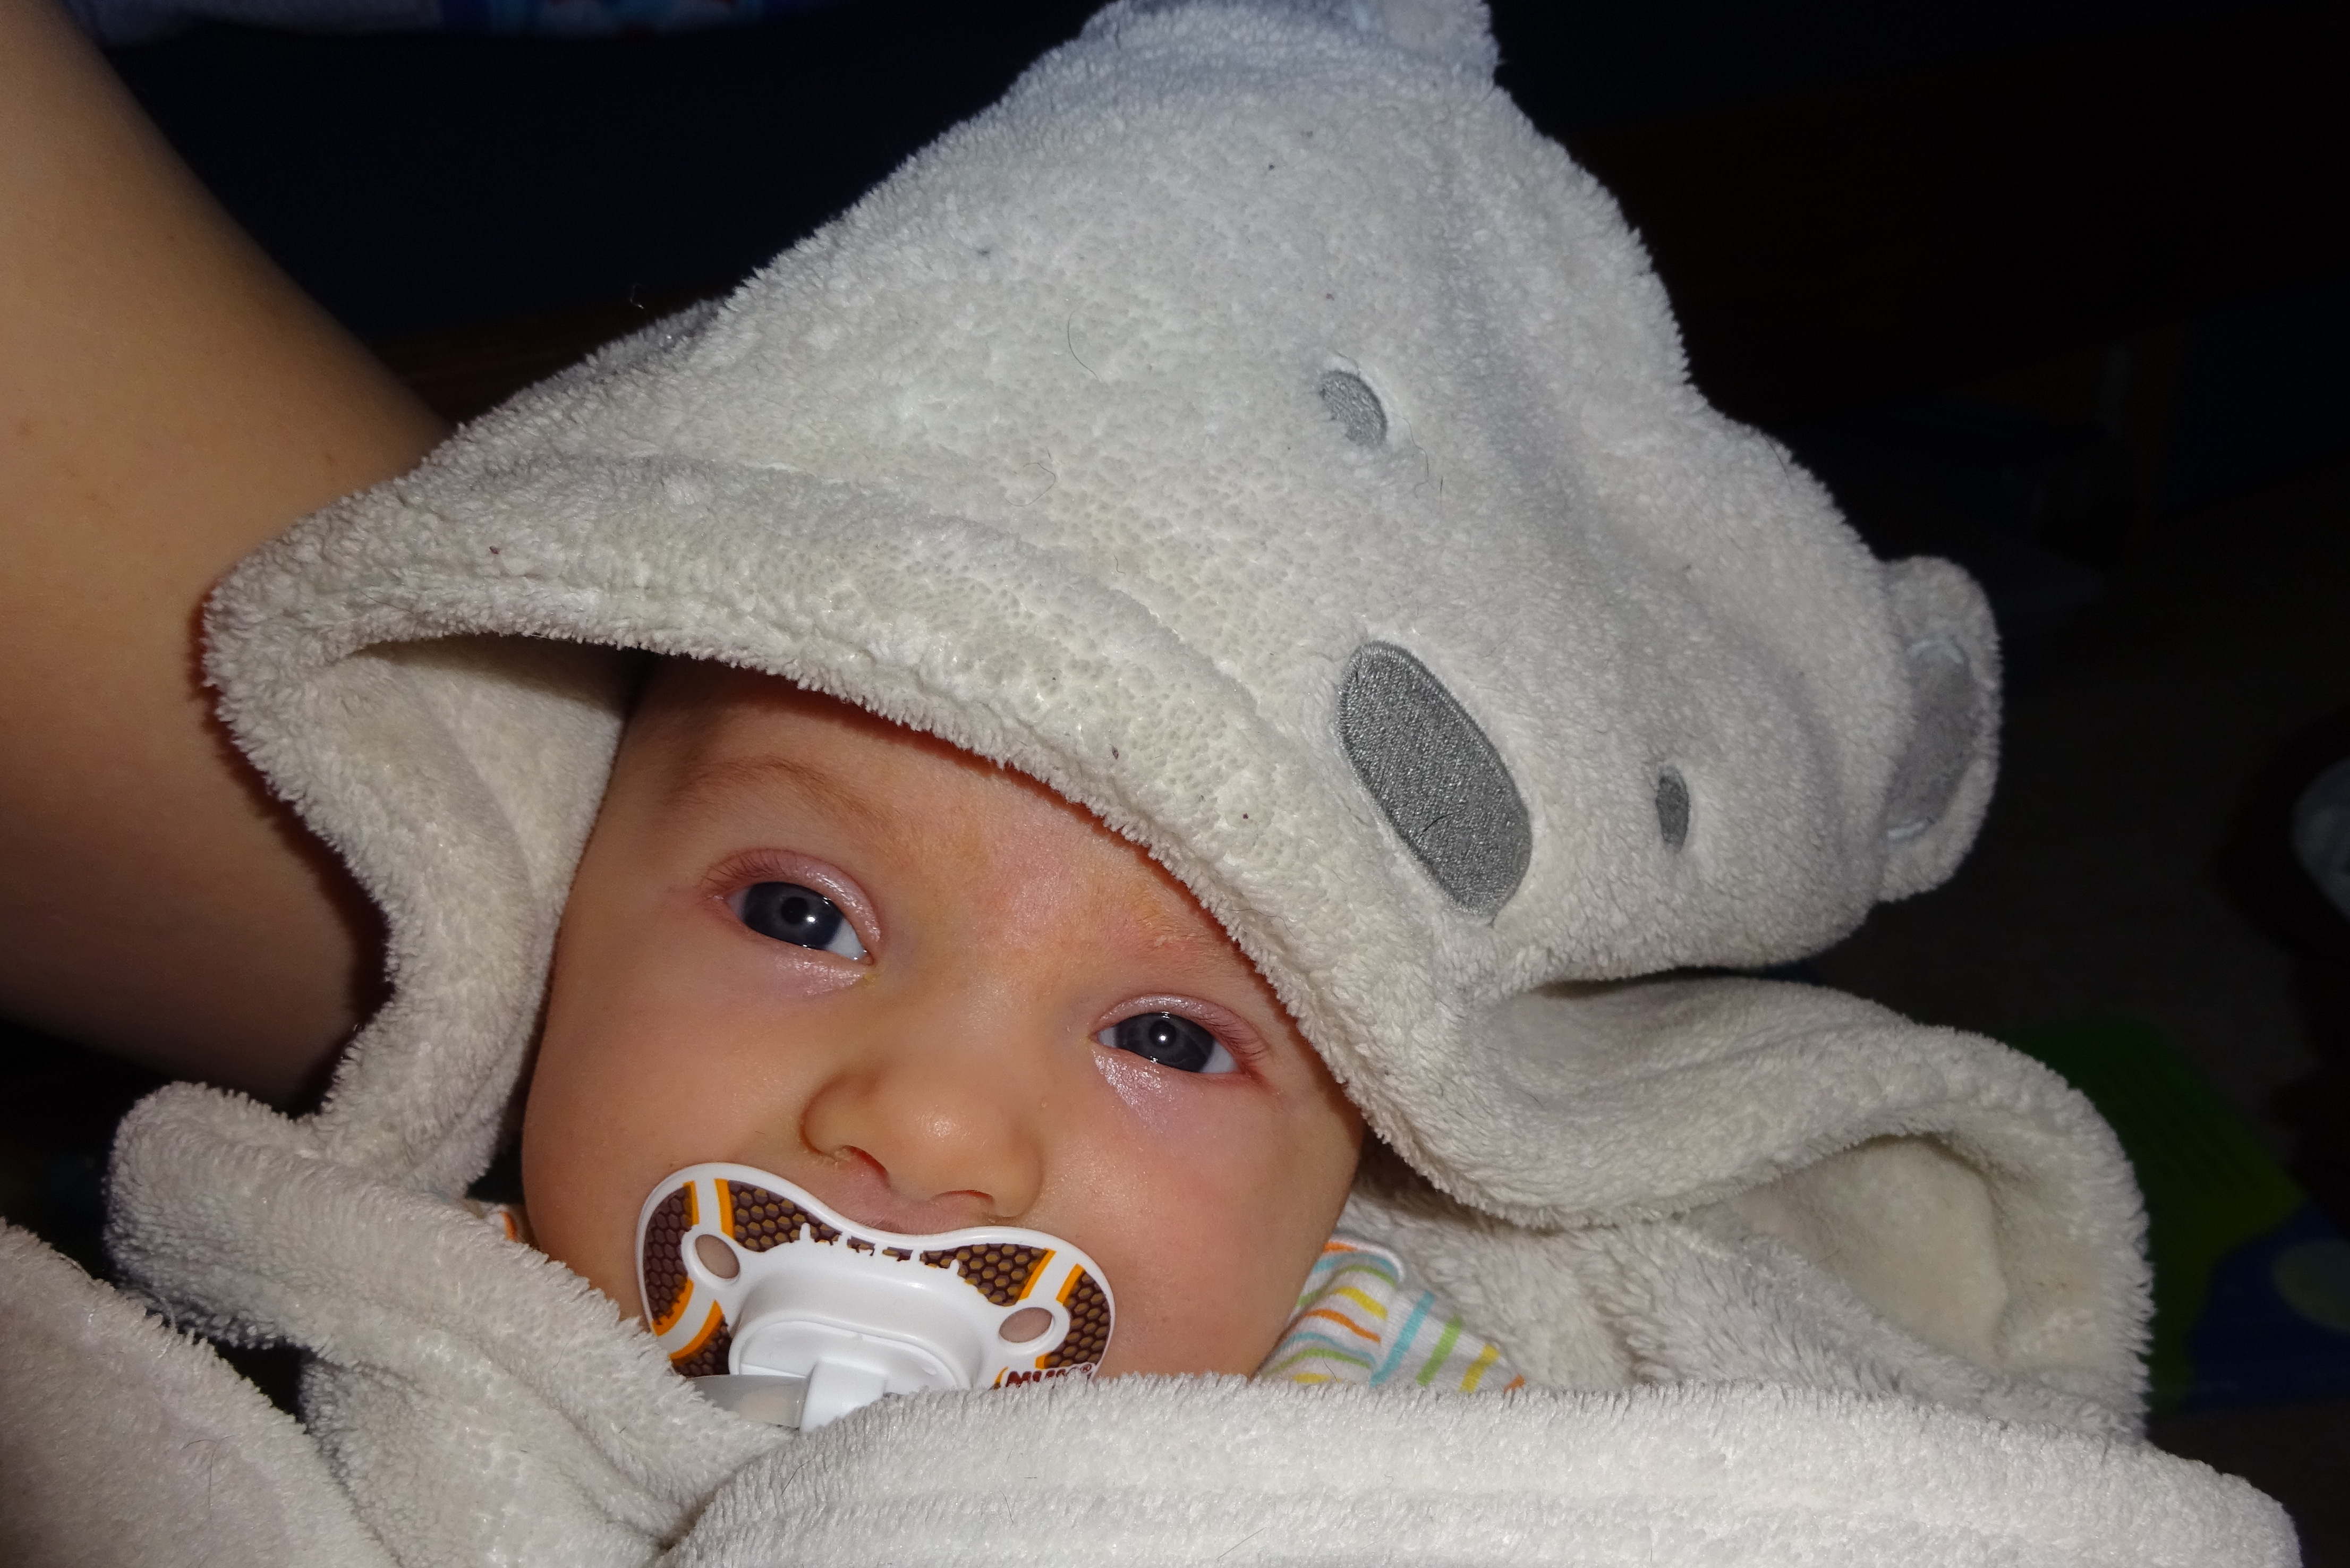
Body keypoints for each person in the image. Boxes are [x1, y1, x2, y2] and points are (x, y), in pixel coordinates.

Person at [8, 3, 2210, 1563]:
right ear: (566, 888)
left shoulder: (1407, 1420)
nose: (928, 1128)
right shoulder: (426, 1328)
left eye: (1169, 1036)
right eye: (799, 914)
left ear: (1383, 1131)